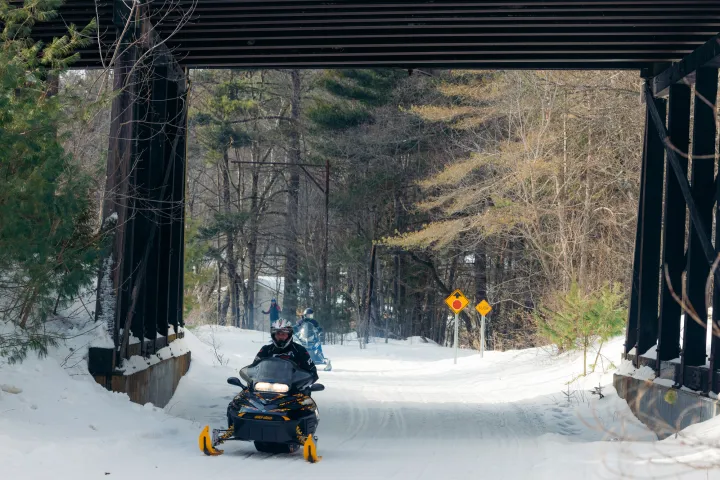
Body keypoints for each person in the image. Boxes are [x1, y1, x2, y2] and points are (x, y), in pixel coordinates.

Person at [250, 319, 318, 382]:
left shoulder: (300, 350)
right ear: (273, 335)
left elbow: (312, 372)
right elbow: (253, 369)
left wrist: (302, 383)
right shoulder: (266, 350)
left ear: (289, 335)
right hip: (267, 386)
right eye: (278, 334)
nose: (280, 337)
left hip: (294, 388)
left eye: (283, 334)